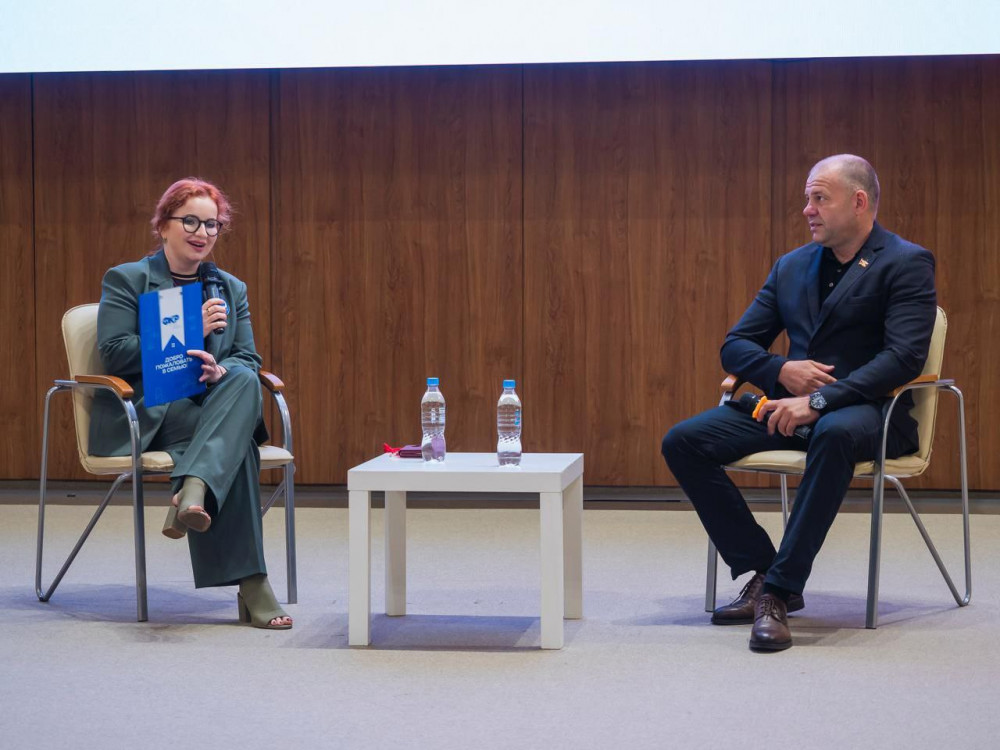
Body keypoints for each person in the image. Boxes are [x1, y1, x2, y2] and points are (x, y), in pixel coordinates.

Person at [661, 155, 936, 651]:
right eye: (808, 198)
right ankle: (763, 568)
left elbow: (903, 358)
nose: (807, 209)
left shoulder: (905, 262)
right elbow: (736, 345)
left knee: (833, 431)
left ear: (858, 202)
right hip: (790, 410)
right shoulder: (791, 266)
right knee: (684, 441)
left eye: (819, 198)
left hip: (871, 412)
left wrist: (821, 399)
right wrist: (781, 370)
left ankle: (778, 594)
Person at [89, 178, 292, 630]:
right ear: (163, 225)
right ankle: (252, 583)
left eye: (212, 224)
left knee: (241, 377)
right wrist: (189, 330)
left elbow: (246, 357)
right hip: (151, 410)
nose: (202, 233)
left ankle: (193, 489)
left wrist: (220, 371)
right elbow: (116, 353)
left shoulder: (229, 288)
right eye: (191, 222)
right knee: (238, 446)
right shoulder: (129, 279)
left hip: (210, 405)